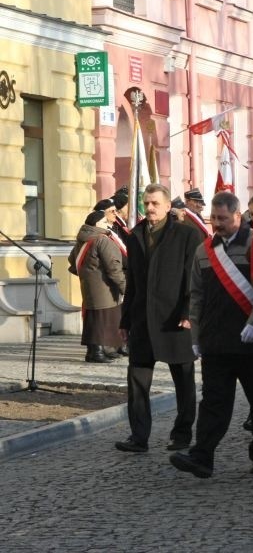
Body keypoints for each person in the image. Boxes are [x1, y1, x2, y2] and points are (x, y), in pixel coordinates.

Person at [169, 192, 253, 478]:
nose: (217, 224)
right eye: (214, 218)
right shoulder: (205, 251)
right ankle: (202, 456)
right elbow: (197, 296)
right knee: (214, 402)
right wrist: (195, 337)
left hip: (251, 341)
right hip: (216, 341)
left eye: (223, 219)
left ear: (237, 216)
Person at [115, 184, 202, 453]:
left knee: (183, 380)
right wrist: (125, 320)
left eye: (155, 203)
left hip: (176, 320)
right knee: (138, 381)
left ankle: (182, 434)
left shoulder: (187, 235)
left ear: (167, 206)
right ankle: (138, 437)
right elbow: (132, 283)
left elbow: (194, 278)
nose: (150, 208)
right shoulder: (135, 235)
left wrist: (188, 313)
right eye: (146, 203)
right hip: (142, 320)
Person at [68, 210, 126, 363]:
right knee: (103, 318)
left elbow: (72, 261)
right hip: (104, 285)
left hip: (89, 285)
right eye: (105, 222)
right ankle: (97, 352)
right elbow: (113, 267)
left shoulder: (83, 239)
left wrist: (88, 275)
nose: (108, 224)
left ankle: (100, 350)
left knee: (94, 318)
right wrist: (124, 285)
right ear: (98, 224)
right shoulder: (102, 240)